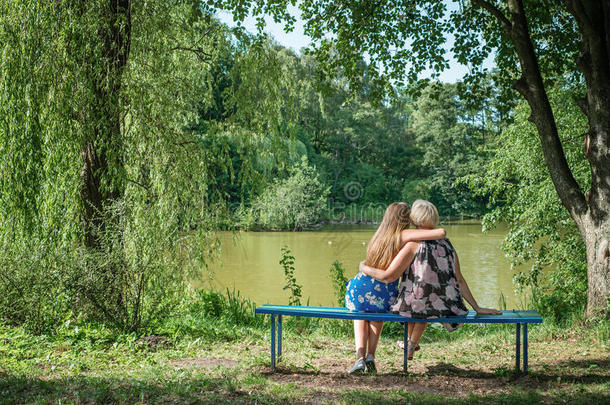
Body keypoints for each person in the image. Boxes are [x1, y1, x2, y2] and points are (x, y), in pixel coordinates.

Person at [360, 199, 501, 361]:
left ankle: (410, 345)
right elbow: (460, 280)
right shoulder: (448, 245)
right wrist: (477, 307)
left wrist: (364, 267)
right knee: (426, 300)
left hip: (417, 305)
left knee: (419, 300)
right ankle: (410, 343)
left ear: (415, 219)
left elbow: (390, 276)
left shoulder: (413, 245)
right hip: (446, 305)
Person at [345, 202, 446, 374]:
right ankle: (370, 356)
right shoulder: (402, 235)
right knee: (377, 318)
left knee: (360, 316)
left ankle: (360, 358)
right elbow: (440, 233)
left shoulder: (378, 235)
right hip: (384, 291)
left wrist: (362, 267)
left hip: (359, 287)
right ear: (406, 218)